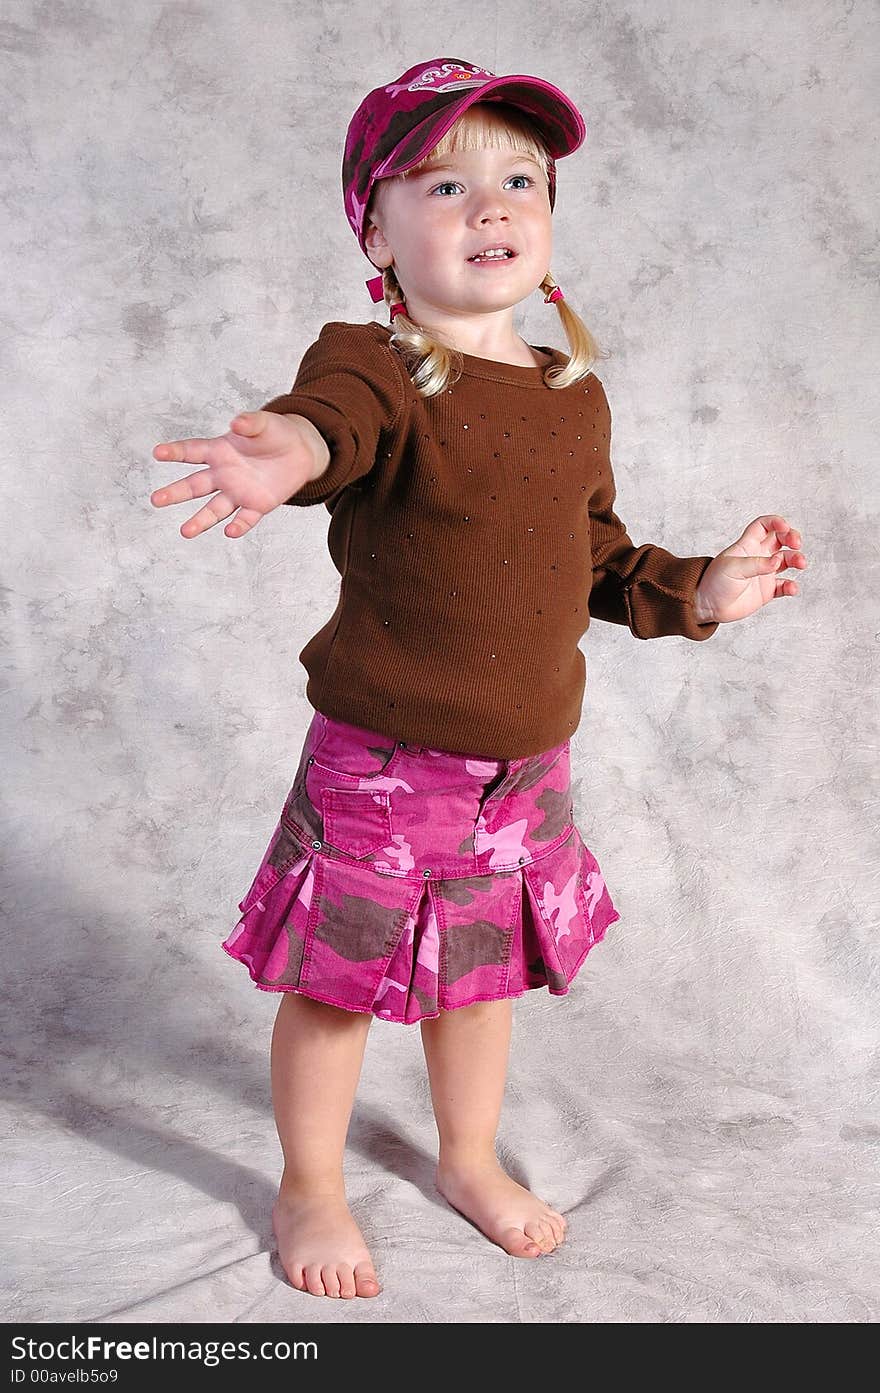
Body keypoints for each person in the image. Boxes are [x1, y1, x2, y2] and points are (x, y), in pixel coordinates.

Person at [149, 58, 807, 1302]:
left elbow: (597, 562)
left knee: (482, 981)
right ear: (379, 231)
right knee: (336, 990)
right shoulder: (376, 364)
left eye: (517, 181)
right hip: (385, 763)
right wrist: (285, 451)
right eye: (443, 185)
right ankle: (312, 1184)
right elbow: (328, 419)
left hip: (524, 766)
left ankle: (463, 1157)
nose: (488, 208)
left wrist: (702, 592)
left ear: (549, 220)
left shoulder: (571, 394)